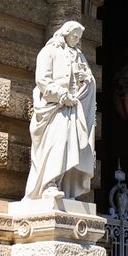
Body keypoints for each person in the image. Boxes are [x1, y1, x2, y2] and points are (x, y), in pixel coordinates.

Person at [25, 21, 96, 201]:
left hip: (73, 108)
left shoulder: (79, 56)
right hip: (55, 108)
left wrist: (86, 79)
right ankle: (48, 185)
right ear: (65, 33)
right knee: (57, 144)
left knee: (73, 146)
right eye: (74, 36)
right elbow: (42, 79)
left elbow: (90, 80)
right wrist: (61, 94)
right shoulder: (49, 51)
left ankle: (62, 185)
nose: (76, 40)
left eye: (79, 38)